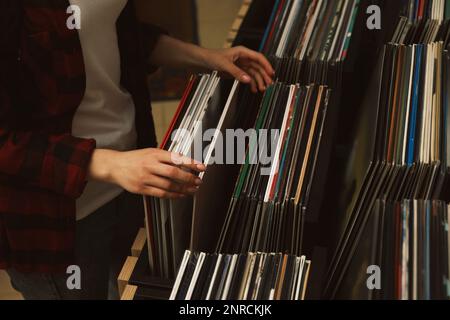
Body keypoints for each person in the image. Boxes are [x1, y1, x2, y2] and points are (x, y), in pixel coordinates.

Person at [0, 0, 274, 300]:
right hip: (56, 219)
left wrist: (206, 57)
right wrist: (111, 164)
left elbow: (111, 30)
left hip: (133, 176)